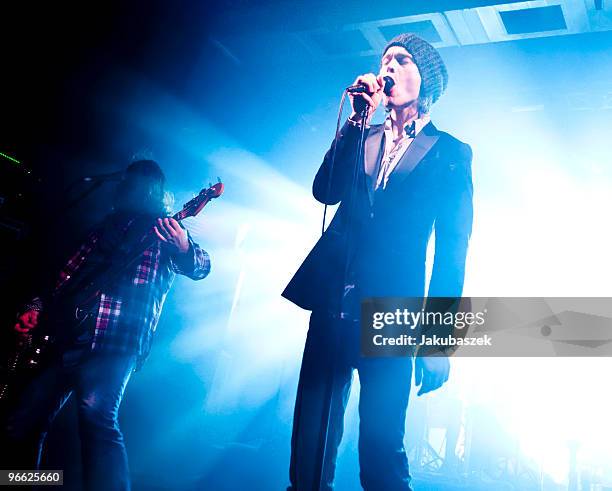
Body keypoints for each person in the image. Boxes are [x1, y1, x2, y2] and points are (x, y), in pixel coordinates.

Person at [282, 33, 474, 490]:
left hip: (393, 313)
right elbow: (323, 191)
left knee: (381, 452)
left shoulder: (450, 152)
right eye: (384, 58)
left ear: (424, 78)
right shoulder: (361, 134)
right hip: (333, 301)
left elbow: (452, 252)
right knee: (309, 450)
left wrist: (438, 342)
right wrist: (354, 121)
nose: (387, 66)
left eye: (400, 59)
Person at [2, 160, 211, 490]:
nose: (126, 186)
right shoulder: (106, 226)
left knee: (96, 417)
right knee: (24, 420)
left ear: (152, 188)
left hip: (116, 340)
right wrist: (38, 306)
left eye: (134, 182)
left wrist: (184, 247)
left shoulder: (166, 229)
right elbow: (66, 275)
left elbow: (202, 266)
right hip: (69, 336)